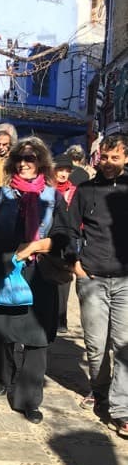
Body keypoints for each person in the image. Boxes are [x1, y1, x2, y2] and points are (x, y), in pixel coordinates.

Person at [0, 136, 68, 424]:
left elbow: (64, 235)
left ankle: (29, 399)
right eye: (20, 159)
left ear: (41, 162)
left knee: (38, 338)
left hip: (39, 272)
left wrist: (42, 245)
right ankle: (3, 374)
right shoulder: (2, 194)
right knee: (2, 331)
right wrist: (0, 246)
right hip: (7, 270)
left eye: (30, 159)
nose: (24, 164)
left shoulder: (53, 198)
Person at [63, 134, 128, 438]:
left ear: (125, 158)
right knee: (96, 343)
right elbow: (69, 229)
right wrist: (75, 264)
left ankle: (121, 409)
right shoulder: (85, 190)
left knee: (124, 345)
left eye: (116, 158)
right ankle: (100, 392)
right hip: (92, 277)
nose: (109, 163)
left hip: (125, 281)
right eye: (105, 157)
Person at [53, 154, 77, 332]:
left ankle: (61, 318)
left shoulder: (74, 191)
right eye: (60, 170)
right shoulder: (45, 189)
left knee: (65, 279)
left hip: (69, 239)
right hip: (49, 238)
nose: (63, 174)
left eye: (67, 171)